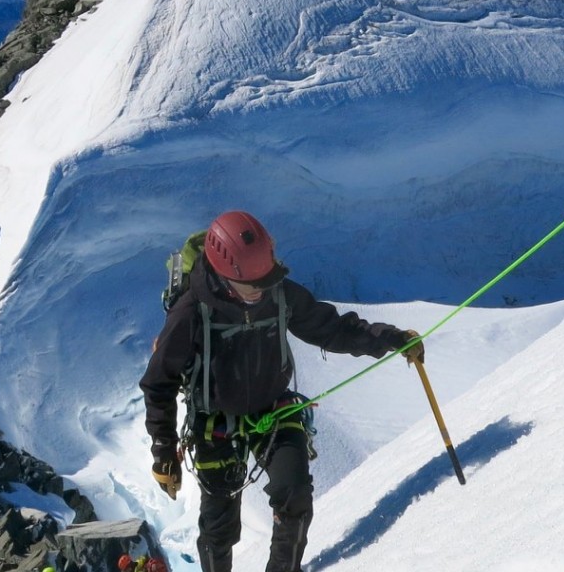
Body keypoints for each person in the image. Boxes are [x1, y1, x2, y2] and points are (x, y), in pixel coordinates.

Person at [141, 210, 423, 572]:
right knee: (219, 527)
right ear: (225, 277)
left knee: (295, 498)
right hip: (214, 419)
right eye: (251, 285)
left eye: (266, 280)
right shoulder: (191, 311)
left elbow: (330, 328)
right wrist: (163, 450)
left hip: (273, 408)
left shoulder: (276, 293)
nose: (260, 290)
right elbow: (159, 381)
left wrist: (390, 339)